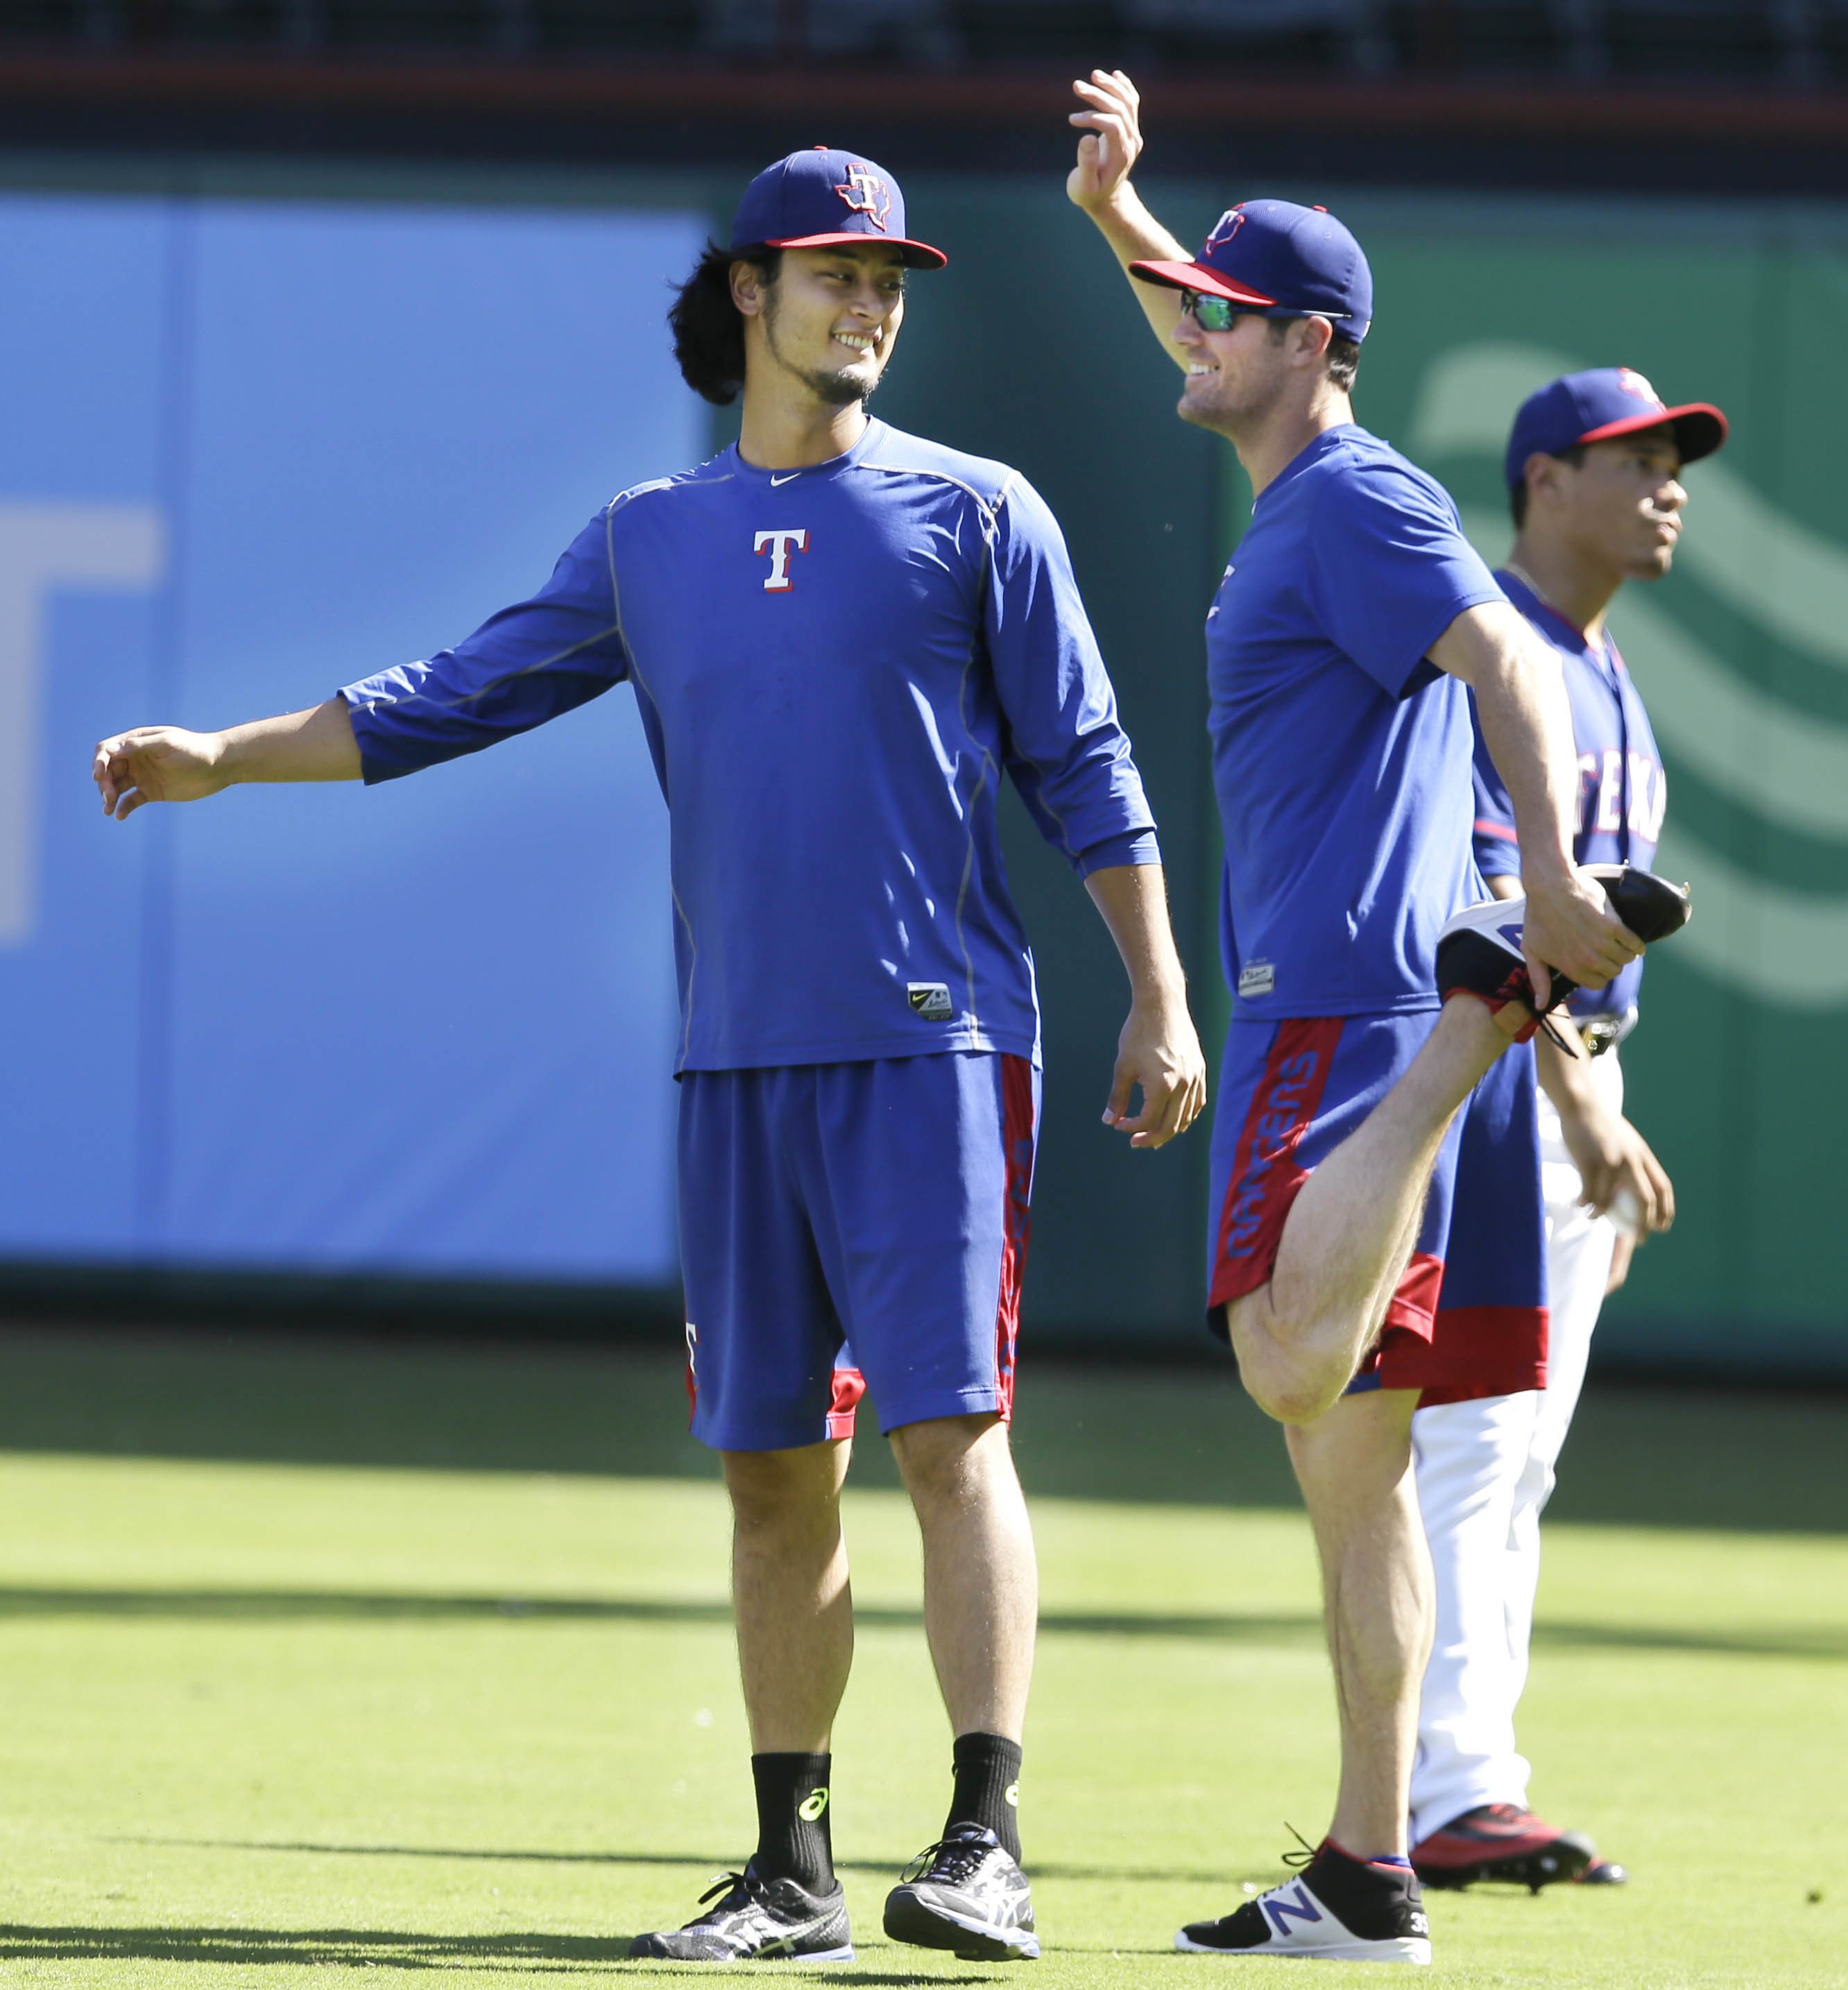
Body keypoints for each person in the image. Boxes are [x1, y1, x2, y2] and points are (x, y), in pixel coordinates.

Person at [92, 146, 1208, 1966]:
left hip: (930, 1046)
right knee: (773, 1465)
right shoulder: (649, 535)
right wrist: (225, 754)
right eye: (838, 273)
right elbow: (448, 696)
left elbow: (1085, 763)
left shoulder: (977, 510)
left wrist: (1158, 993)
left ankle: (986, 1838)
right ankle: (793, 1868)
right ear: (750, 293)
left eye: (893, 278)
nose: (875, 302)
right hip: (737, 1060)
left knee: (950, 1431)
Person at [1066, 72, 1657, 1964]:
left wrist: (1552, 895)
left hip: (1349, 1014)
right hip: (1368, 1006)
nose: (1193, 325)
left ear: (1308, 346)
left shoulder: (1357, 493)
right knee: (1356, 1480)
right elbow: (1205, 311)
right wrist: (1114, 213)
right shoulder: (1301, 462)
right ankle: (1367, 1870)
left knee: (1275, 1353)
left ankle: (1487, 1022)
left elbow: (1505, 650)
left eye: (1225, 315)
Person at [1408, 368, 1726, 1892]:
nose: (1668, 484)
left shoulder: (1606, 670)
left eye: (1676, 462)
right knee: (1471, 1449)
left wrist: (1599, 1109)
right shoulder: (1497, 654)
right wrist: (1578, 1100)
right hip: (1496, 1090)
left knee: (1517, 1462)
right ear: (1544, 479)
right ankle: (1442, 1786)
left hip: (1572, 1093)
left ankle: (1464, 1771)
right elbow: (1489, 915)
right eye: (1636, 459)